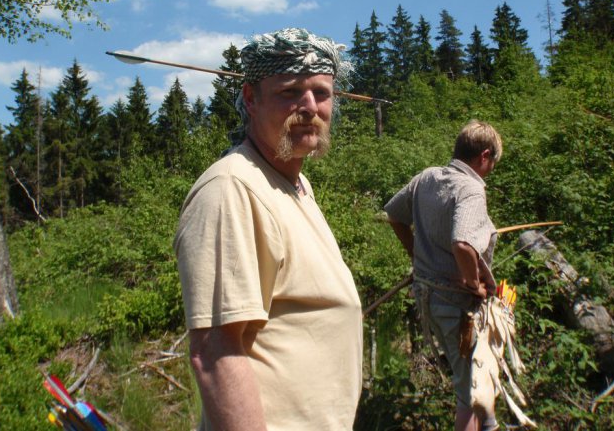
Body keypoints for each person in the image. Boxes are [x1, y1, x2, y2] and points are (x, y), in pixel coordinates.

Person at [173, 28, 363, 431]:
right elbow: (215, 353)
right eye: (289, 92)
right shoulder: (231, 189)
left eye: (322, 93)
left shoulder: (296, 186)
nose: (309, 106)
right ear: (250, 98)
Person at [384, 120, 503, 431]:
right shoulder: (471, 189)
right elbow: (463, 244)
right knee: (471, 394)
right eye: (493, 163)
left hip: (429, 299)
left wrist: (417, 254)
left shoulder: (428, 178)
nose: (491, 170)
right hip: (456, 308)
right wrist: (473, 283)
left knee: (474, 383)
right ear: (485, 156)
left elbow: (394, 215)